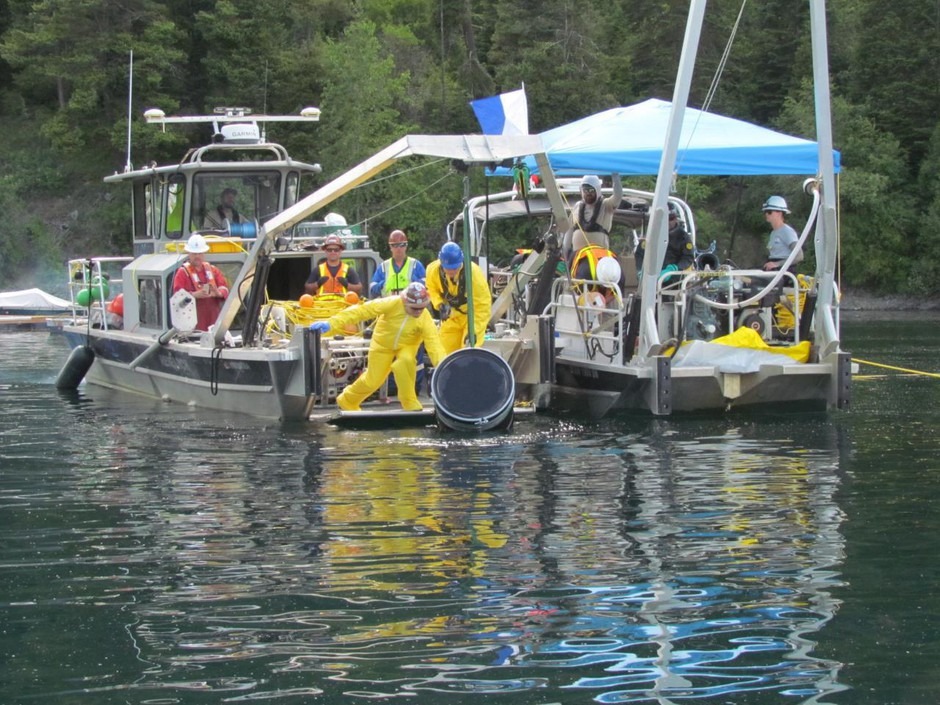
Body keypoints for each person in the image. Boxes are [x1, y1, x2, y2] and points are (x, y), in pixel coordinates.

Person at [309, 282, 446, 412]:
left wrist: (442, 367)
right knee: (373, 381)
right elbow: (361, 311)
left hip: (408, 345)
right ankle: (348, 400)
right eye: (414, 308)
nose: (418, 312)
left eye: (422, 308)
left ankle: (409, 402)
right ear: (404, 301)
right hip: (382, 344)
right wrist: (331, 323)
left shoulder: (425, 319)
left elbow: (434, 344)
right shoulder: (391, 303)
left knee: (406, 361)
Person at [426, 242, 492, 355]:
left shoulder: (473, 273)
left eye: (455, 268)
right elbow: (431, 289)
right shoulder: (433, 270)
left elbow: (483, 305)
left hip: (472, 317)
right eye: (448, 269)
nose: (451, 272)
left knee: (468, 349)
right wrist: (440, 304)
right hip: (452, 317)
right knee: (443, 352)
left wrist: (475, 330)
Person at [171, 233, 230, 331]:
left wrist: (218, 293)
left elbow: (225, 289)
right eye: (194, 253)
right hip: (192, 328)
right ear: (189, 253)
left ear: (204, 253)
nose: (197, 256)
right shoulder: (182, 273)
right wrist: (194, 295)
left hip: (213, 323)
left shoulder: (213, 270)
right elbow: (177, 298)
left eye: (200, 253)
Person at [562, 173, 623, 259]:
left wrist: (615, 176)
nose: (588, 193)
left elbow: (618, 197)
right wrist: (565, 251)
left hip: (600, 258)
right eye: (585, 190)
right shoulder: (577, 206)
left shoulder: (606, 205)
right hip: (578, 258)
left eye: (591, 190)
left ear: (597, 190)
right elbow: (569, 229)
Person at [634, 203, 695, 274]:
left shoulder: (683, 237)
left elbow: (688, 257)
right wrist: (640, 270)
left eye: (671, 218)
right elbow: (639, 254)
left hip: (674, 278)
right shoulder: (651, 234)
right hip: (651, 276)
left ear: (676, 219)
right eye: (664, 218)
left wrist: (675, 268)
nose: (667, 222)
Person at [369, 229, 426, 298]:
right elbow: (372, 289)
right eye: (395, 245)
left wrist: (416, 283)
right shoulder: (383, 267)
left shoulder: (415, 265)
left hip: (410, 306)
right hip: (389, 306)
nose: (399, 248)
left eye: (402, 245)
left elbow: (426, 286)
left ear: (406, 246)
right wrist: (383, 284)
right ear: (390, 247)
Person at [761, 195, 802, 272]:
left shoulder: (787, 231)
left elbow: (799, 256)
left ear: (779, 213)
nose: (766, 214)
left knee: (754, 281)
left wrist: (777, 264)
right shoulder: (773, 233)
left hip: (783, 272)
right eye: (765, 212)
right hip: (773, 270)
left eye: (769, 212)